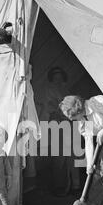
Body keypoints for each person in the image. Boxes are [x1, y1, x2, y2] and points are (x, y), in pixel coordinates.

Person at [37, 67, 80, 196]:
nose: (58, 79)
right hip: (56, 123)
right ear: (52, 78)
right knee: (59, 155)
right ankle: (60, 186)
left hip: (68, 123)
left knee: (72, 155)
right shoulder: (48, 90)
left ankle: (75, 185)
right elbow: (51, 107)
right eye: (55, 77)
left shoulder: (65, 90)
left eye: (60, 77)